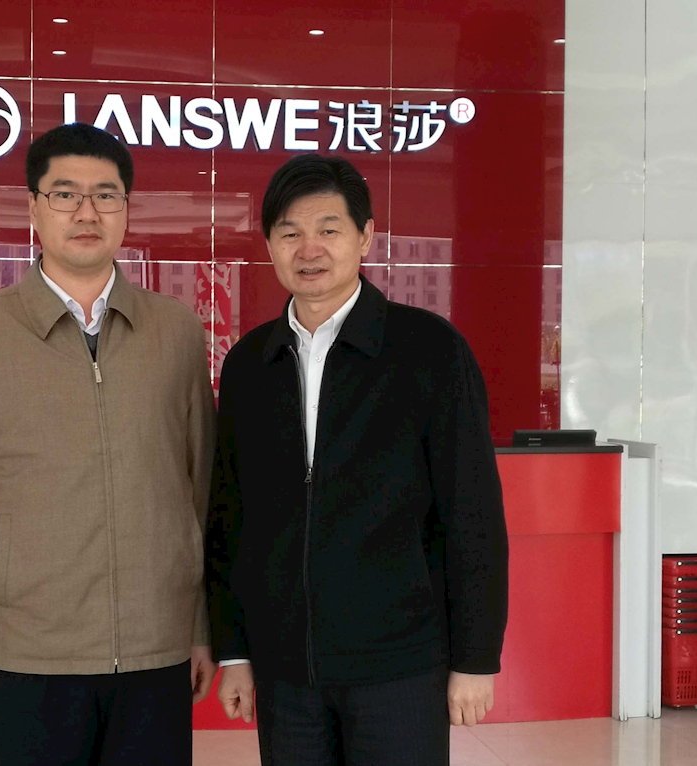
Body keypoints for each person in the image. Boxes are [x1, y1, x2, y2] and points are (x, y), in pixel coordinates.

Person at [0, 122, 217, 766]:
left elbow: (199, 492)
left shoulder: (176, 333)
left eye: (106, 195)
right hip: (28, 651)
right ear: (33, 207)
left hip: (156, 647)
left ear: (126, 209)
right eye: (64, 194)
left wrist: (198, 628)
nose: (86, 212)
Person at [206, 154, 509, 766]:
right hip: (286, 671)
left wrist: (476, 658)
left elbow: (472, 511)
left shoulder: (429, 350)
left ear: (365, 236)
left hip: (401, 665)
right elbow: (230, 516)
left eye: (329, 229)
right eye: (290, 232)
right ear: (269, 244)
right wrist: (234, 651)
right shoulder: (249, 365)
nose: (309, 249)